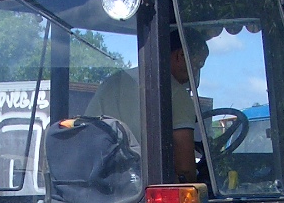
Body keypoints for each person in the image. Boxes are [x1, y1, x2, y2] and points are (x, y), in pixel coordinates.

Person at [84, 27, 210, 182]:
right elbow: (185, 169)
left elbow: (88, 132)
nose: (195, 74)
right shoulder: (175, 93)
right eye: (198, 65)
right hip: (145, 185)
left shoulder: (111, 83)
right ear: (181, 55)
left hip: (100, 183)